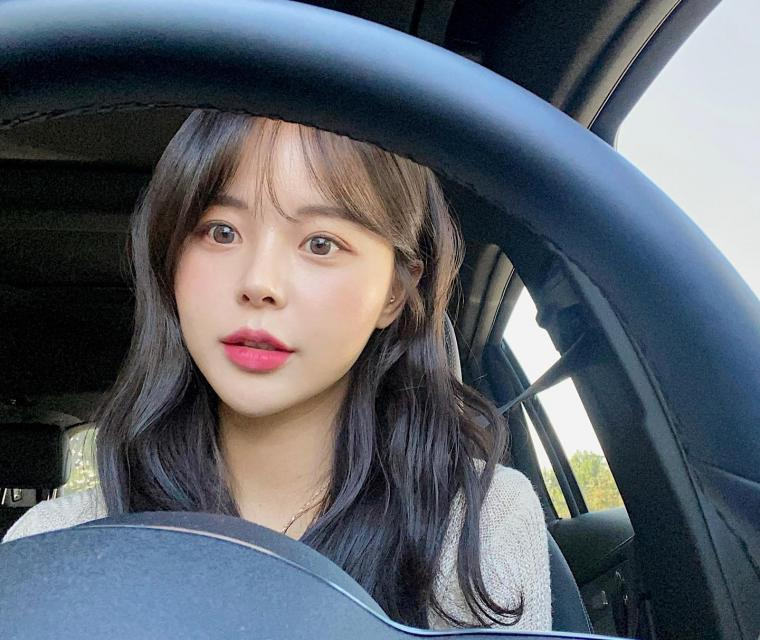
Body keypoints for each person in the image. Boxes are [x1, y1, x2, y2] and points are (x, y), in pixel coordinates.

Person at [2, 110, 551, 630]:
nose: (259, 282)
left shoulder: (478, 525)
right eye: (220, 231)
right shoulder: (52, 541)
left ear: (394, 291)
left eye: (320, 243)